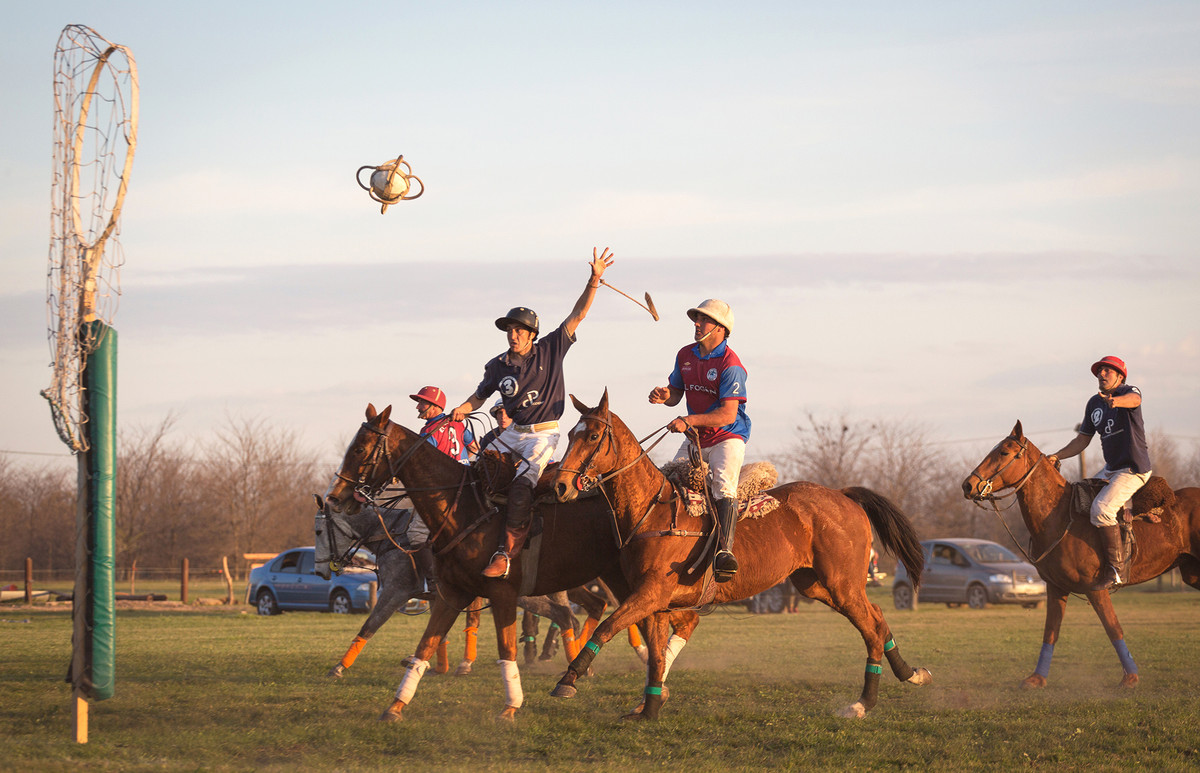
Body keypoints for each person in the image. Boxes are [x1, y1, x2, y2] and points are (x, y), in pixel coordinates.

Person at [450, 247, 615, 579]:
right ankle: (467, 536)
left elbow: (578, 314)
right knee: (475, 471)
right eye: (510, 330)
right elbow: (479, 397)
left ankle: (505, 553)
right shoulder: (497, 365)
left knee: (523, 484)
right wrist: (459, 410)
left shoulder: (552, 348)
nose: (513, 335)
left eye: (520, 330)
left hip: (543, 433)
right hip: (512, 433)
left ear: (532, 334)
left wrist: (594, 280)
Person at [647, 298, 750, 582]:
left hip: (727, 437)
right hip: (696, 438)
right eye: (696, 318)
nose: (696, 323)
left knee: (722, 485)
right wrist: (665, 396)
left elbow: (728, 414)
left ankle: (724, 552)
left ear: (720, 328)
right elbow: (677, 393)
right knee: (671, 482)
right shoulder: (685, 355)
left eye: (703, 319)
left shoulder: (731, 364)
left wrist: (688, 420)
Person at [1047, 356, 1152, 590]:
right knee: (1080, 497)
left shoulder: (1128, 391)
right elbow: (1082, 440)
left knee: (1101, 510)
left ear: (1120, 376)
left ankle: (1116, 570)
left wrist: (1116, 402)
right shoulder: (1094, 403)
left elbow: (1135, 399)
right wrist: (1057, 455)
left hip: (1133, 469)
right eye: (1100, 370)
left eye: (1108, 370)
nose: (1102, 374)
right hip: (1111, 469)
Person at [410, 385, 476, 462]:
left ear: (434, 406)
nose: (417, 407)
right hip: (464, 472)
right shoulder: (458, 424)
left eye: (422, 403)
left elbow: (420, 460)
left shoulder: (429, 431)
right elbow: (474, 447)